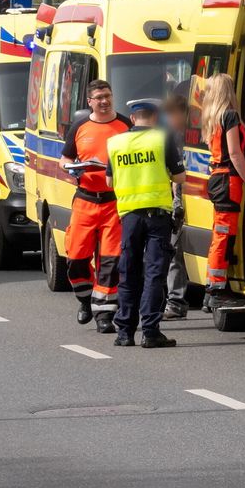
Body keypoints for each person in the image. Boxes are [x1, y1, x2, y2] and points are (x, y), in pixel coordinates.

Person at [106, 98, 187, 348]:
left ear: (133, 119)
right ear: (155, 117)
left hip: (129, 216)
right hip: (157, 217)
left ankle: (124, 332)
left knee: (128, 272)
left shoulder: (116, 142)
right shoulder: (162, 139)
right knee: (154, 273)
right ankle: (150, 331)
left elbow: (109, 182)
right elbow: (179, 176)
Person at [59, 79, 132, 333]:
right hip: (85, 199)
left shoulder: (125, 125)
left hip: (114, 201)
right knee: (76, 258)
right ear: (89, 101)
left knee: (110, 261)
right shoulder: (79, 127)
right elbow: (64, 159)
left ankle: (104, 314)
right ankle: (85, 300)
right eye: (99, 97)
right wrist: (73, 169)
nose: (104, 101)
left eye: (108, 96)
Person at [200, 73, 245, 312]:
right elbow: (234, 153)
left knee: (220, 233)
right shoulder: (230, 116)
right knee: (224, 235)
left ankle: (212, 288)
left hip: (217, 177)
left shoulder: (212, 117)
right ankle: (215, 290)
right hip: (228, 179)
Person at [162, 93, 192, 320]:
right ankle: (175, 301)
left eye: (172, 113)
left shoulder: (187, 137)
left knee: (176, 252)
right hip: (180, 198)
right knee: (175, 252)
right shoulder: (171, 136)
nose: (168, 118)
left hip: (188, 195)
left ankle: (176, 301)